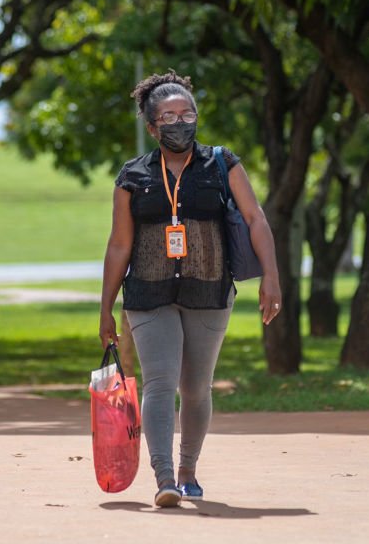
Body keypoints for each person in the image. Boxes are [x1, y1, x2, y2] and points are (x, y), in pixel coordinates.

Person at [98, 70, 281, 508]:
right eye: (169, 116)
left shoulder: (222, 164)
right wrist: (106, 308)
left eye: (188, 113)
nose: (180, 122)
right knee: (159, 383)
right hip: (147, 293)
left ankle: (187, 470)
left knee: (196, 388)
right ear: (151, 126)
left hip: (208, 291)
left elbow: (255, 218)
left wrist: (271, 276)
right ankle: (164, 478)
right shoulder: (133, 175)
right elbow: (120, 242)